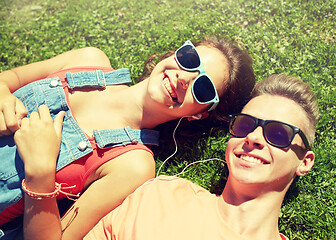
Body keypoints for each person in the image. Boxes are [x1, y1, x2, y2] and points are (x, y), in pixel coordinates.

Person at [0, 38, 255, 239]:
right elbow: (8, 79)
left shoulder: (133, 164)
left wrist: (40, 173)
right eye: (189, 59)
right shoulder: (88, 58)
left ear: (199, 115)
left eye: (203, 88)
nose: (184, 77)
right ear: (175, 53)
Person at [82, 73, 318, 240]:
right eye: (245, 124)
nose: (254, 137)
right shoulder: (160, 196)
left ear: (304, 162)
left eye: (278, 133)